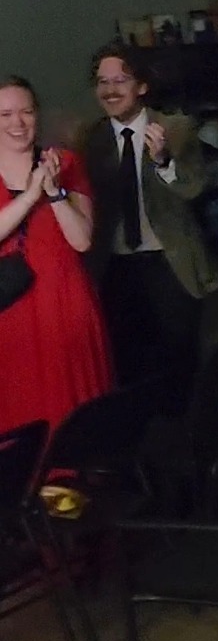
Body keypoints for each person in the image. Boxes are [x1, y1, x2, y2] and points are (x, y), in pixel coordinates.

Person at [81, 42, 218, 413]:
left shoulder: (175, 129)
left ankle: (184, 438)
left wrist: (162, 162)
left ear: (141, 86)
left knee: (178, 359)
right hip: (116, 265)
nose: (110, 90)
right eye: (102, 82)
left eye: (120, 80)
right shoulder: (90, 140)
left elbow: (194, 188)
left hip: (167, 261)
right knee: (126, 360)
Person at [0, 76, 112, 433]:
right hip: (11, 310)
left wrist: (54, 192)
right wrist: (31, 196)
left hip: (66, 302)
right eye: (5, 114)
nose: (18, 123)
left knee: (78, 416)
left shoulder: (65, 162)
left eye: (26, 112)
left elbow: (81, 241)